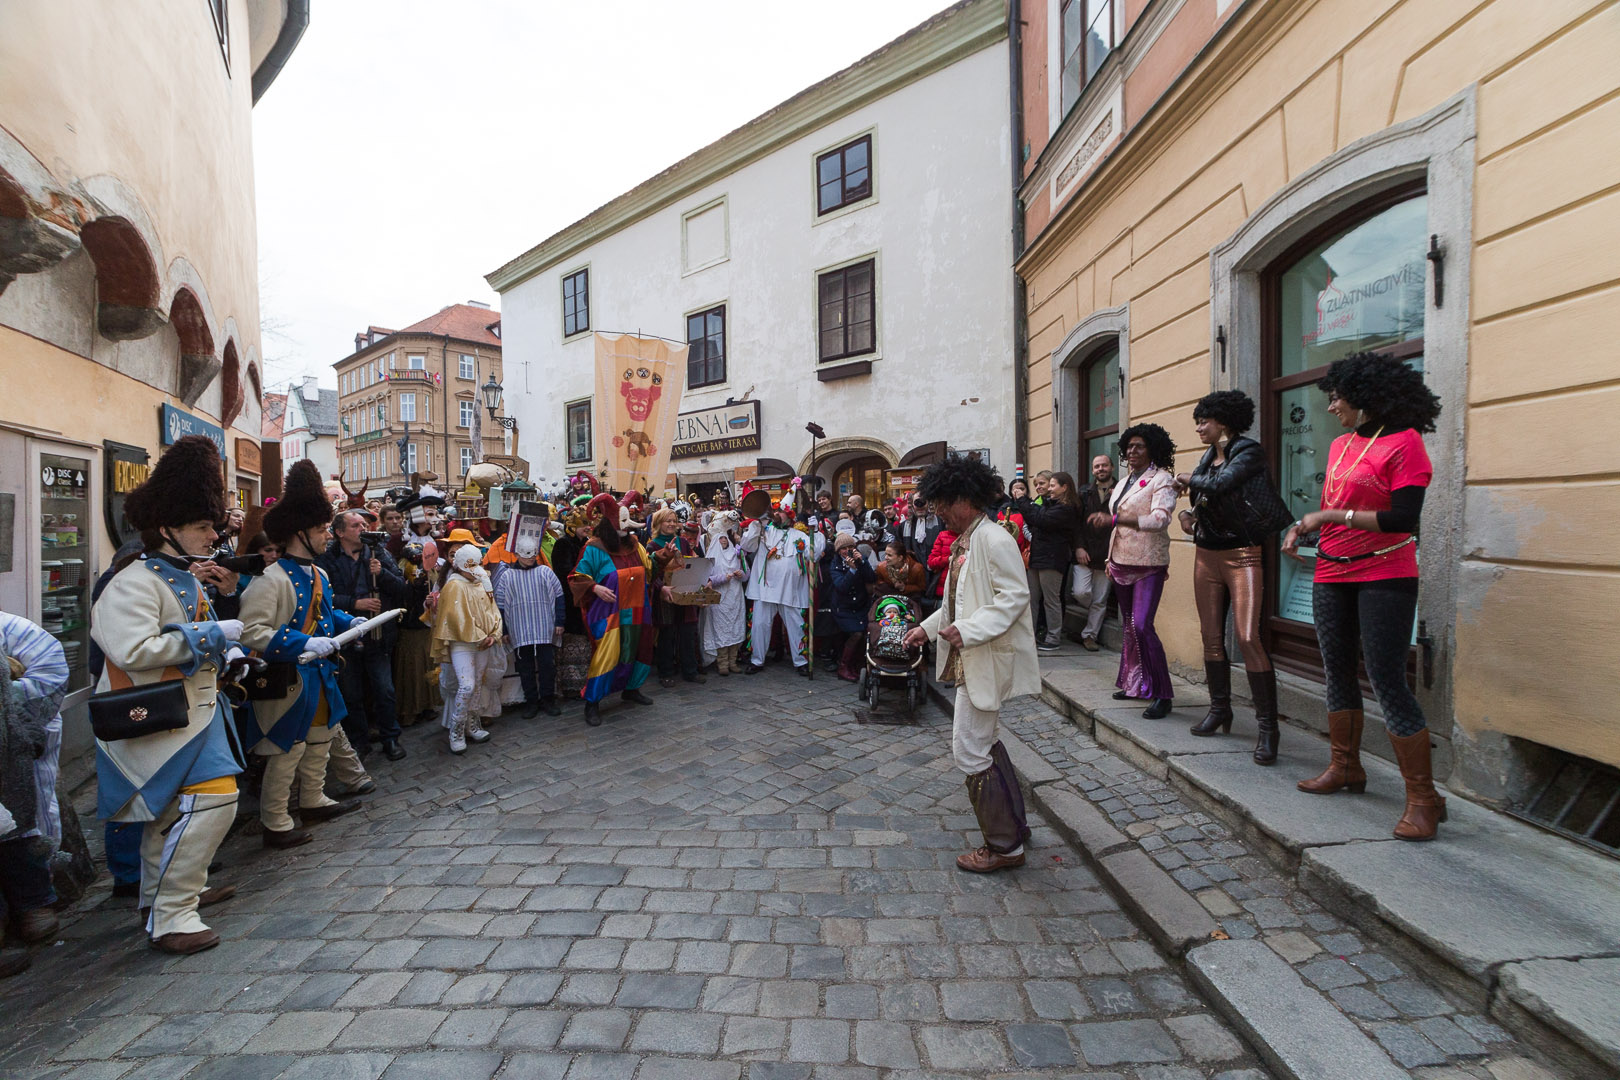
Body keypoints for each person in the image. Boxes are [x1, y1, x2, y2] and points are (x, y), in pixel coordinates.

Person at [89, 436, 245, 953]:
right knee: (210, 803)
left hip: (194, 716)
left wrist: (225, 651)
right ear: (167, 530)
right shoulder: (133, 582)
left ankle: (166, 902)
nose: (212, 535)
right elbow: (134, 650)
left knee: (179, 812)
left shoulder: (180, 577)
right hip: (158, 719)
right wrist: (213, 637)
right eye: (202, 526)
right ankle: (173, 912)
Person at [1286, 352, 1443, 841]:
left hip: (1386, 573)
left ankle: (1422, 799)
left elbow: (1401, 519)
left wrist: (1327, 519)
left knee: (1386, 678)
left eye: (1337, 397)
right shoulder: (1338, 447)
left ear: (1366, 396)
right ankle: (1346, 766)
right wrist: (1303, 527)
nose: (1332, 406)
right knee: (1336, 668)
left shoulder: (1406, 443)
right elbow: (1337, 504)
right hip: (1332, 571)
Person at [902, 455, 1040, 873]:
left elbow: (1014, 597)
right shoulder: (969, 538)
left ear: (964, 498)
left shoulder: (993, 538)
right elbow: (955, 603)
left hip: (983, 657)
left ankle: (1004, 847)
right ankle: (1014, 827)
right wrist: (927, 629)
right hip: (971, 659)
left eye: (943, 501)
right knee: (985, 742)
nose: (939, 510)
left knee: (969, 749)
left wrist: (972, 630)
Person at [239, 460, 362, 852]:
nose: (328, 536)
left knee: (321, 739)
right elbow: (251, 631)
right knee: (285, 749)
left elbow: (325, 616)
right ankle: (275, 822)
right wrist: (301, 643)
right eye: (322, 530)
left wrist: (351, 620)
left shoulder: (319, 575)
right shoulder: (270, 579)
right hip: (288, 679)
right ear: (299, 534)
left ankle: (313, 799)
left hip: (320, 675)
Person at [1174, 391, 1283, 763]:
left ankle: (1268, 728)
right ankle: (1220, 709)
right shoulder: (1207, 458)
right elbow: (1200, 504)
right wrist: (1187, 519)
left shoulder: (1248, 452)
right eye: (1198, 422)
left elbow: (1223, 485)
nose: (1200, 428)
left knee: (1248, 636)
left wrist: (1188, 478)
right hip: (1207, 555)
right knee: (1209, 637)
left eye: (1204, 421)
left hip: (1243, 554)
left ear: (1223, 422)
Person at [1090, 424, 1178, 719]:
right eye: (1129, 447)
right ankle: (1135, 683)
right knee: (1128, 623)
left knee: (1142, 625)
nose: (1132, 451)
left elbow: (1160, 519)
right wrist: (1109, 556)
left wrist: (1117, 519)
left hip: (1149, 562)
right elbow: (1116, 521)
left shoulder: (1162, 479)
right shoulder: (1124, 481)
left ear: (1153, 448)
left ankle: (1162, 693)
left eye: (1139, 446)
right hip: (1120, 560)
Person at [0, 611, 68, 951]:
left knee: (19, 823)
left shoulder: (11, 628)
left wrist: (20, 724)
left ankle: (35, 901)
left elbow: (51, 674)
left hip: (10, 741)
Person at [321, 510, 409, 761]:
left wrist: (381, 573)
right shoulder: (327, 559)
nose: (362, 528)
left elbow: (401, 589)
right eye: (355, 525)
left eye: (364, 524)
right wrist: (354, 603)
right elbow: (323, 597)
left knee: (384, 689)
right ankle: (358, 741)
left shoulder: (379, 553)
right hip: (345, 636)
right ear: (339, 532)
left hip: (377, 635)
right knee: (351, 693)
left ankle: (391, 738)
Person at [568, 494, 657, 725]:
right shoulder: (595, 548)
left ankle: (632, 688)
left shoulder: (635, 545)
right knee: (607, 655)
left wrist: (665, 555)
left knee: (639, 649)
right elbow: (577, 576)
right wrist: (594, 587)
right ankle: (592, 702)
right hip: (610, 613)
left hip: (638, 609)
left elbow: (650, 568)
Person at [432, 542, 504, 752]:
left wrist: (493, 634)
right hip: (463, 644)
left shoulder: (481, 581)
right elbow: (456, 618)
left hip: (483, 643)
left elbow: (492, 610)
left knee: (477, 686)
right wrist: (479, 636)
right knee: (467, 686)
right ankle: (456, 729)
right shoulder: (453, 586)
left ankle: (472, 725)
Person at [741, 496, 824, 676]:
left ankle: (800, 661)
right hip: (764, 589)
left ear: (789, 515)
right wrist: (756, 524)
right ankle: (757, 660)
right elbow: (746, 545)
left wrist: (815, 532)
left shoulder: (799, 535)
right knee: (760, 625)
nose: (776, 514)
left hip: (790, 590)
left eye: (780, 511)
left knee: (796, 626)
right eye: (775, 510)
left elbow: (814, 554)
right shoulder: (763, 531)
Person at [494, 535, 565, 718]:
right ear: (517, 554)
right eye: (527, 555)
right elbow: (500, 604)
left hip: (544, 627)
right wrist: (505, 630)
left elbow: (558, 596)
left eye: (533, 555)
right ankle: (531, 701)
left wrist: (559, 621)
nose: (531, 558)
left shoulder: (545, 572)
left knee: (547, 666)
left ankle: (547, 699)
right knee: (525, 668)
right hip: (520, 628)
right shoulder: (507, 576)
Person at [1016, 471, 1084, 652]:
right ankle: (1029, 635)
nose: (1049, 489)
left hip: (1053, 559)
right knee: (1031, 598)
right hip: (1038, 557)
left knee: (1051, 600)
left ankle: (1053, 638)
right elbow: (1035, 519)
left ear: (1065, 487)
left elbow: (1039, 519)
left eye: (1053, 485)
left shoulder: (1066, 508)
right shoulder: (1050, 504)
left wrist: (1022, 500)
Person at [646, 510, 705, 688]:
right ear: (658, 524)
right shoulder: (652, 546)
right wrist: (660, 587)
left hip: (684, 591)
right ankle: (666, 672)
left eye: (674, 521)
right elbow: (650, 573)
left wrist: (703, 580)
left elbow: (691, 564)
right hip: (665, 595)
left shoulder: (684, 542)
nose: (671, 524)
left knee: (688, 632)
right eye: (667, 521)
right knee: (667, 635)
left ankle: (690, 670)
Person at [550, 505, 595, 701]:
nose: (588, 527)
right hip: (570, 602)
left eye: (589, 523)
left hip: (585, 599)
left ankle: (584, 682)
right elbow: (564, 573)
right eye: (584, 523)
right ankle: (570, 686)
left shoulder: (588, 543)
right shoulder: (563, 544)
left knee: (584, 644)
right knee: (572, 644)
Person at [1072, 456, 1115, 651]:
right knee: (1081, 592)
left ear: (1112, 467)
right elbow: (1076, 524)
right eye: (1097, 466)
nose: (1101, 469)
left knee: (1100, 599)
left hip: (1108, 553)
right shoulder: (1084, 493)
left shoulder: (1121, 490)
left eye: (1104, 465)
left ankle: (1090, 636)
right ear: (1092, 470)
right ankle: (1097, 613)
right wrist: (1078, 547)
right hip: (1086, 552)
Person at [700, 511, 748, 675]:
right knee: (721, 629)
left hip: (735, 598)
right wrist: (722, 578)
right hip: (720, 599)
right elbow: (707, 579)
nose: (722, 541)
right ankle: (722, 664)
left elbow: (746, 573)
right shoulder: (712, 556)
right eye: (719, 538)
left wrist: (741, 574)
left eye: (724, 538)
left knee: (734, 628)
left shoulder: (736, 554)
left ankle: (733, 661)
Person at [828, 534, 877, 681]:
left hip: (861, 605)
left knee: (864, 633)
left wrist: (862, 563)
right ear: (838, 551)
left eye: (850, 547)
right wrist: (852, 570)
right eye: (844, 548)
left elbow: (871, 578)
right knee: (856, 633)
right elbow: (842, 586)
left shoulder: (861, 559)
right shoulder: (835, 565)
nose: (847, 551)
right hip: (843, 607)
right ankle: (843, 666)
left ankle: (857, 665)